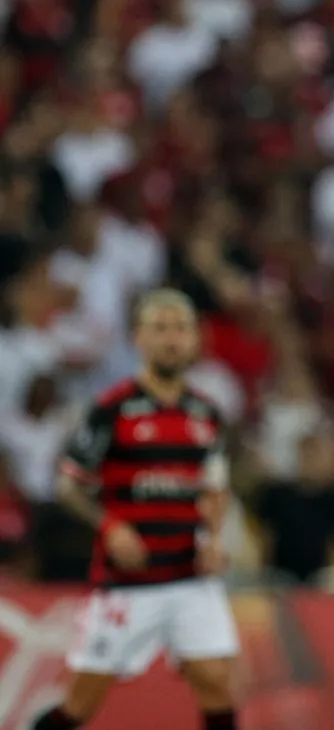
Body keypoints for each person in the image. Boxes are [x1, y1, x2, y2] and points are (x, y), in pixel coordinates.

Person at [31, 289, 239, 730]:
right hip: (128, 582)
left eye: (181, 329)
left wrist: (215, 540)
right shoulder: (112, 408)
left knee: (216, 682)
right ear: (138, 339)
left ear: (195, 340)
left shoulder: (207, 414)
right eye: (160, 329)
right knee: (80, 704)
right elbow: (68, 484)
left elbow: (215, 488)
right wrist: (110, 526)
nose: (171, 339)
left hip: (189, 576)